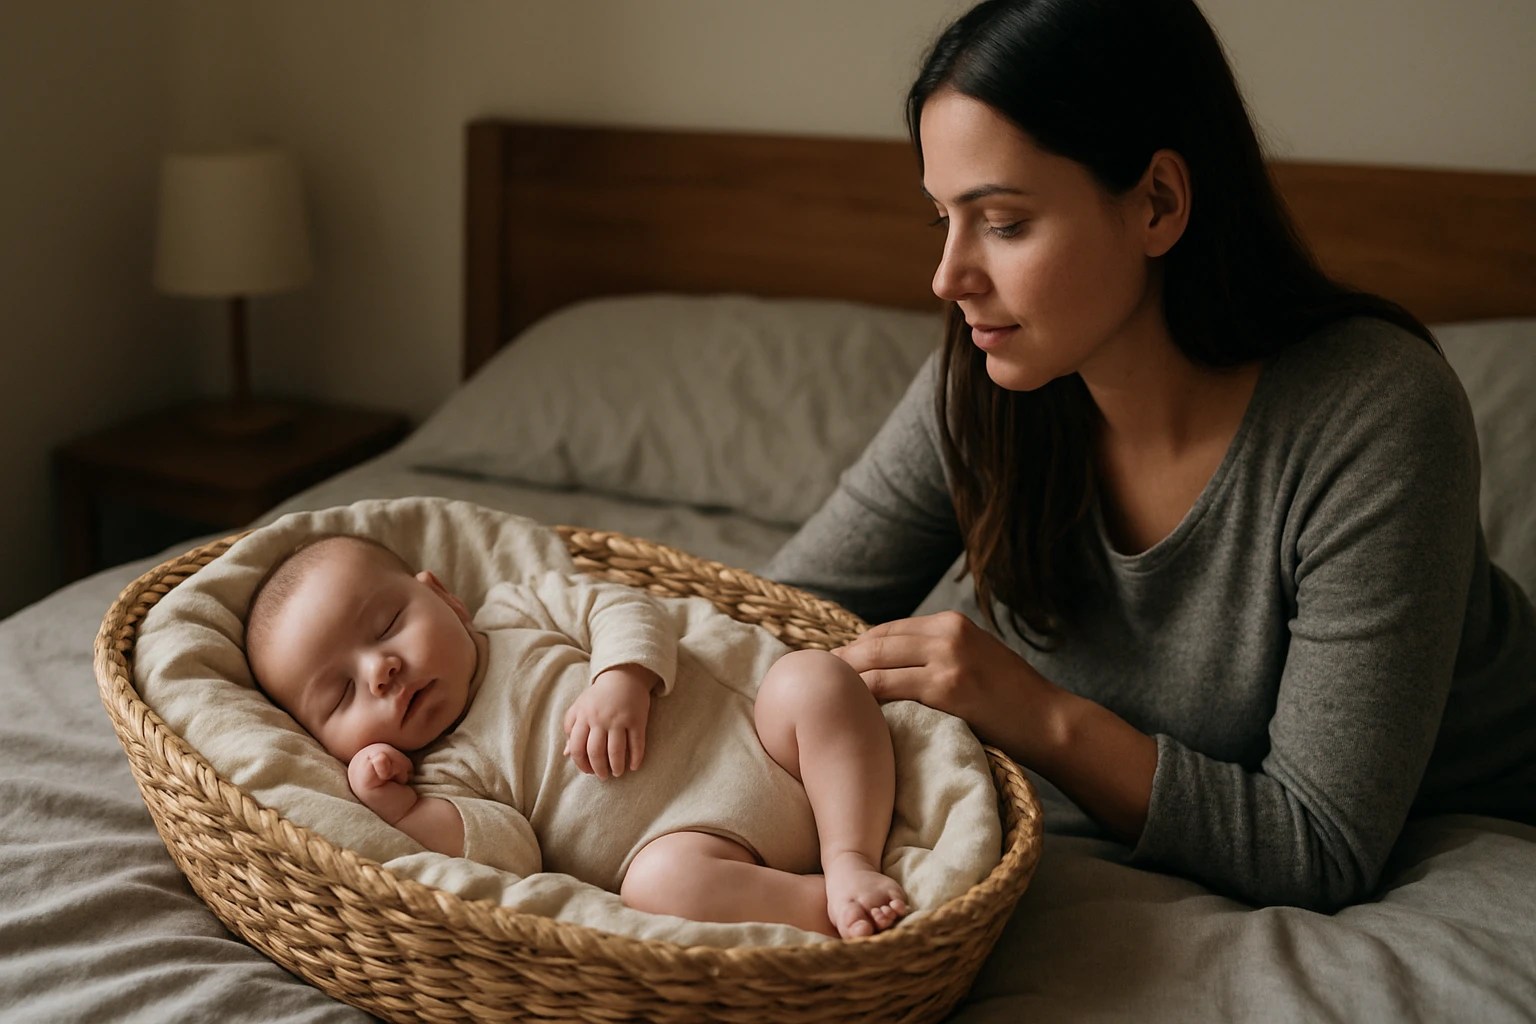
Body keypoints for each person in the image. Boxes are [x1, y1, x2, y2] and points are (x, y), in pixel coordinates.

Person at [764, 0, 1536, 913]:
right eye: (943, 218)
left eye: (1003, 222)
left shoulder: (1376, 413)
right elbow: (767, 621)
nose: (949, 277)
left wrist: (1036, 713)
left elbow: (1319, 848)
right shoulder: (987, 375)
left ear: (1159, 203)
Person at [244, 534, 907, 939]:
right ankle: (824, 905)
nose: (380, 671)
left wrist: (621, 678)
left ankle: (851, 858)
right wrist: (405, 812)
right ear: (323, 741)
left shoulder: (517, 612)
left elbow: (620, 604)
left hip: (768, 748)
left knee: (811, 678)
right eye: (341, 694)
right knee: (657, 888)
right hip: (695, 850)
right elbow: (510, 852)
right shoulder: (438, 773)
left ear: (443, 596)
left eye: (387, 624)